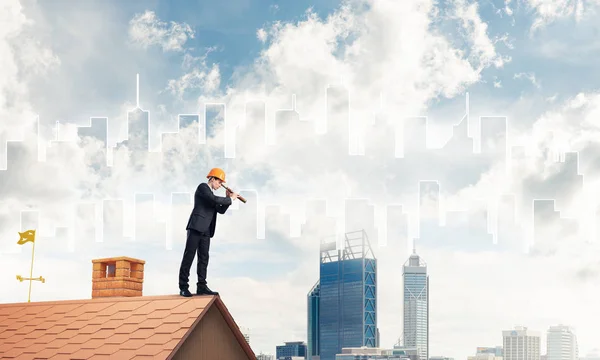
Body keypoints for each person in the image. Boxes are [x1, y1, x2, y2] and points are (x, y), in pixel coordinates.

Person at [178, 168, 238, 297]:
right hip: (196, 227)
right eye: (219, 182)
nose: (220, 185)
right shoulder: (203, 188)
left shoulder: (212, 196)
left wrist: (227, 199)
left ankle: (202, 286)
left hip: (206, 230)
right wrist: (231, 199)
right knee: (189, 256)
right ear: (212, 179)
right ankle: (183, 286)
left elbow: (220, 210)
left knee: (204, 258)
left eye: (222, 183)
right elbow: (214, 199)